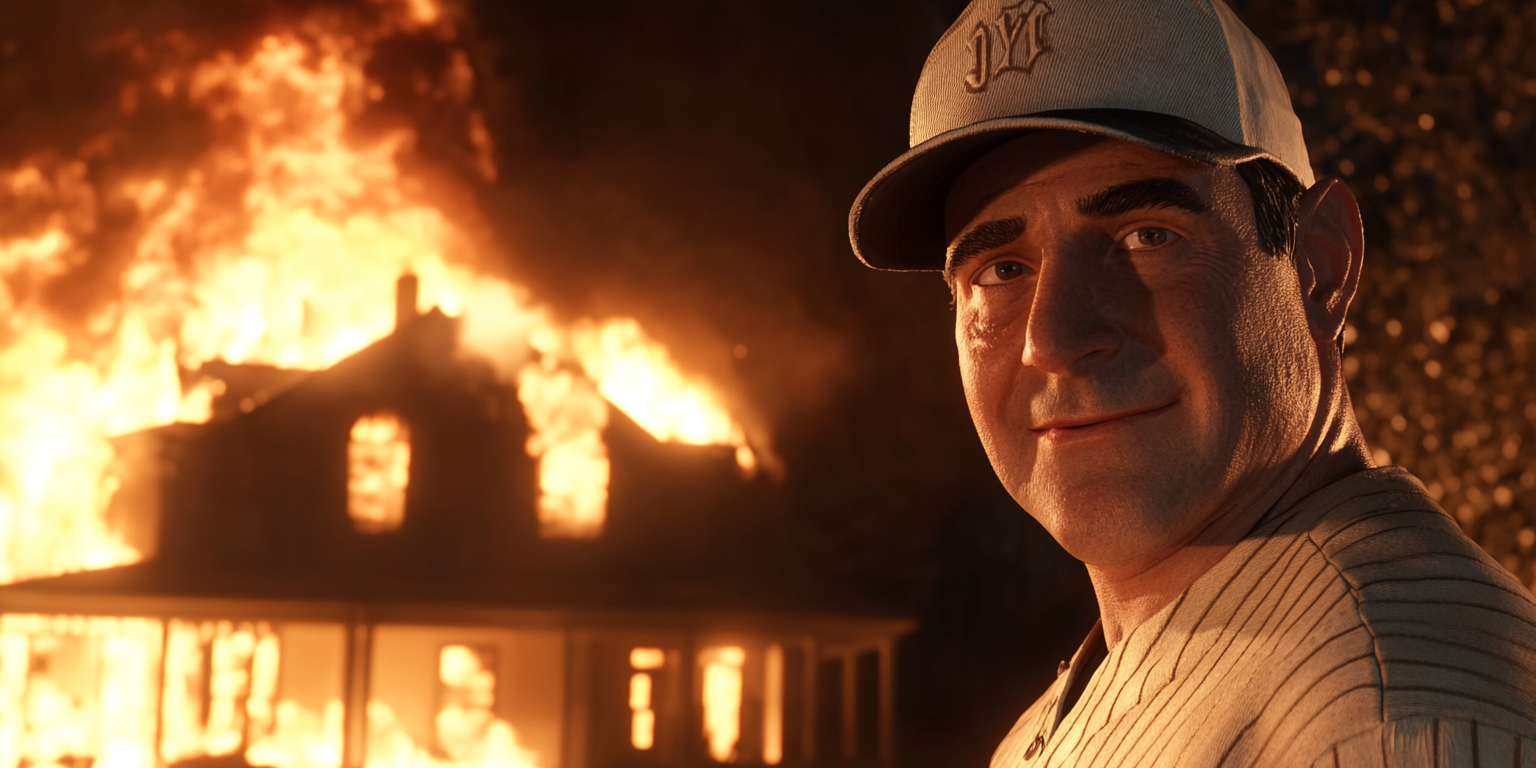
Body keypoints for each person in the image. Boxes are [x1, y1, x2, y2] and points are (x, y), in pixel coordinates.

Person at [848, 1, 1536, 765]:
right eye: (1001, 270)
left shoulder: (1391, 721)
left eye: (1147, 237)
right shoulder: (1094, 699)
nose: (1054, 340)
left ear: (1320, 266)